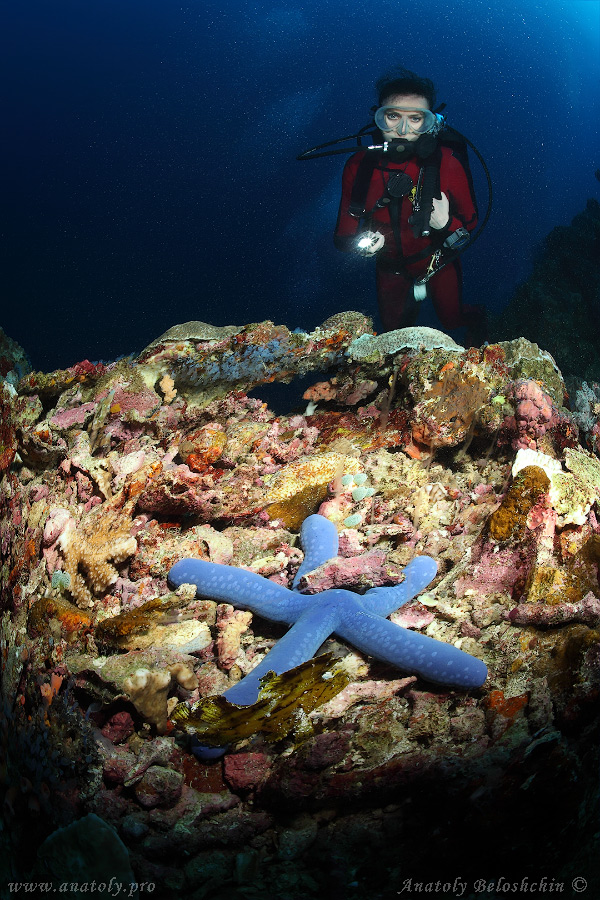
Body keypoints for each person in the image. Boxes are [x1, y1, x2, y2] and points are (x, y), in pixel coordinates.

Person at [334, 68, 487, 346]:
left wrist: (446, 225)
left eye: (416, 119)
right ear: (378, 117)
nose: (403, 130)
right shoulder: (358, 166)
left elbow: (472, 224)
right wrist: (362, 244)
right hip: (389, 268)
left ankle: (480, 321)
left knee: (452, 320)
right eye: (393, 116)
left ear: (431, 122)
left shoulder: (448, 163)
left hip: (438, 261)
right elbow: (342, 237)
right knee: (395, 337)